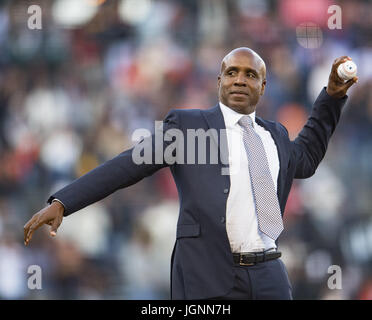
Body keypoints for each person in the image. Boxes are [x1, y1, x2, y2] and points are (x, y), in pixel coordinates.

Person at [23, 47, 358, 300]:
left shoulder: (276, 135)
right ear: (219, 81)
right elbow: (127, 165)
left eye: (250, 74)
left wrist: (331, 97)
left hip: (269, 272)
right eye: (232, 72)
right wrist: (64, 202)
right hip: (208, 274)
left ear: (264, 85)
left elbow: (308, 157)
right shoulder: (188, 127)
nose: (240, 79)